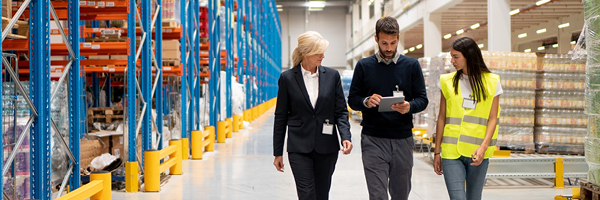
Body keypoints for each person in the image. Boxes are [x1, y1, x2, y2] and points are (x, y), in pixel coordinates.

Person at [348, 16, 428, 200]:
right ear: (376, 39)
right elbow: (353, 99)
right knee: (377, 195)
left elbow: (422, 100)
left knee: (401, 194)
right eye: (384, 43)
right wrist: (366, 102)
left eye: (393, 42)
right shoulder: (363, 66)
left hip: (403, 140)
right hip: (373, 139)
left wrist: (409, 106)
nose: (389, 48)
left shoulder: (411, 65)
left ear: (398, 38)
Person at [272, 31, 353, 200]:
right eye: (318, 52)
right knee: (306, 194)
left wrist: (345, 136)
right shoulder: (287, 78)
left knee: (322, 194)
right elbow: (280, 117)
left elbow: (341, 111)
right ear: (305, 52)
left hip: (327, 147)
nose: (323, 56)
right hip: (299, 147)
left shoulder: (332, 76)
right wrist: (277, 152)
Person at [433, 37, 502, 200]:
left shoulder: (492, 82)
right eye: (451, 56)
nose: (452, 61)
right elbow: (441, 117)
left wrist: (483, 148)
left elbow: (493, 118)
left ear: (469, 56)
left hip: (477, 151)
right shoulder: (447, 81)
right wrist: (437, 152)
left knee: (474, 197)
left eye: (456, 56)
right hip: (451, 152)